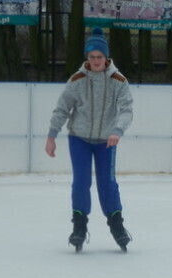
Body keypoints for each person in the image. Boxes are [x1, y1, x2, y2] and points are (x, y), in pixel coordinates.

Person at [45, 27, 134, 252]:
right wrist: (52, 135)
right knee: (81, 182)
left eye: (99, 57)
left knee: (107, 183)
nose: (96, 61)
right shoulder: (77, 80)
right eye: (92, 57)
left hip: (107, 140)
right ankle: (79, 228)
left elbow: (126, 110)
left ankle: (117, 226)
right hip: (79, 139)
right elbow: (62, 108)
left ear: (106, 57)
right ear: (87, 57)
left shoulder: (118, 80)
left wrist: (117, 131)